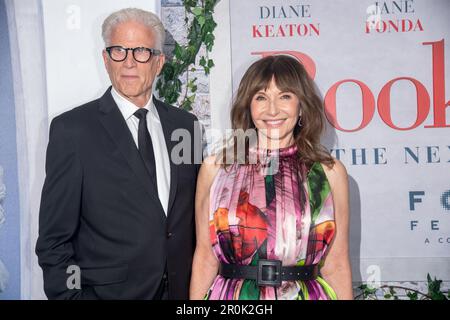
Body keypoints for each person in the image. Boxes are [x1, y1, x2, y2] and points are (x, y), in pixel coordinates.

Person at [36, 8, 201, 300]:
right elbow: (54, 242)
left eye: (140, 52)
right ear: (105, 58)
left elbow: (191, 222)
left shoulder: (186, 126)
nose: (128, 62)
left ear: (159, 62)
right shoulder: (72, 131)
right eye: (118, 51)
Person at [190, 55, 353, 300]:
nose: (272, 109)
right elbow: (204, 257)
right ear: (248, 106)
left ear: (301, 105)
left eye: (285, 96)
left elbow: (336, 264)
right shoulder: (216, 168)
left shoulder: (329, 173)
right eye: (261, 97)